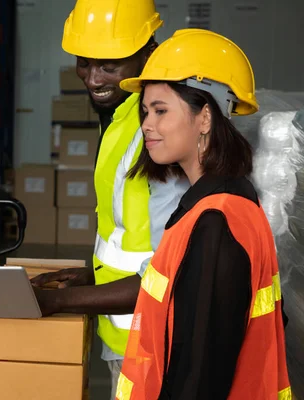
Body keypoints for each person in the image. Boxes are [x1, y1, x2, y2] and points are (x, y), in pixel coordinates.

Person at [112, 28, 291, 399]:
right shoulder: (222, 207)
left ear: (205, 118)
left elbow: (199, 376)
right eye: (146, 111)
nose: (147, 124)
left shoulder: (216, 224)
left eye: (161, 110)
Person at [31, 0, 189, 396]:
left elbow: (171, 269)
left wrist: (62, 301)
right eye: (85, 62)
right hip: (128, 334)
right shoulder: (122, 119)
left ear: (147, 55)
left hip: (159, 343)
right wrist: (94, 277)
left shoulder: (157, 132)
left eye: (109, 66)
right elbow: (132, 235)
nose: (91, 77)